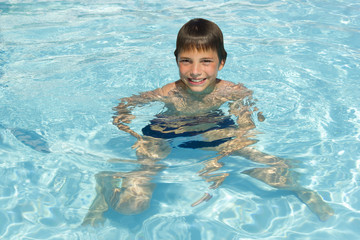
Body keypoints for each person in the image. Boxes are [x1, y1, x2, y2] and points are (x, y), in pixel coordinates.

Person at [82, 18, 333, 226]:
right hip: (166, 130)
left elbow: (246, 129)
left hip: (213, 129)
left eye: (206, 61)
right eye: (186, 61)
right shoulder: (171, 91)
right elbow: (128, 103)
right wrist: (124, 119)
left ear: (221, 62)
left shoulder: (233, 92)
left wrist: (220, 158)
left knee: (274, 166)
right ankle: (108, 182)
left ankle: (302, 191)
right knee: (132, 205)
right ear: (176, 60)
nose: (195, 71)